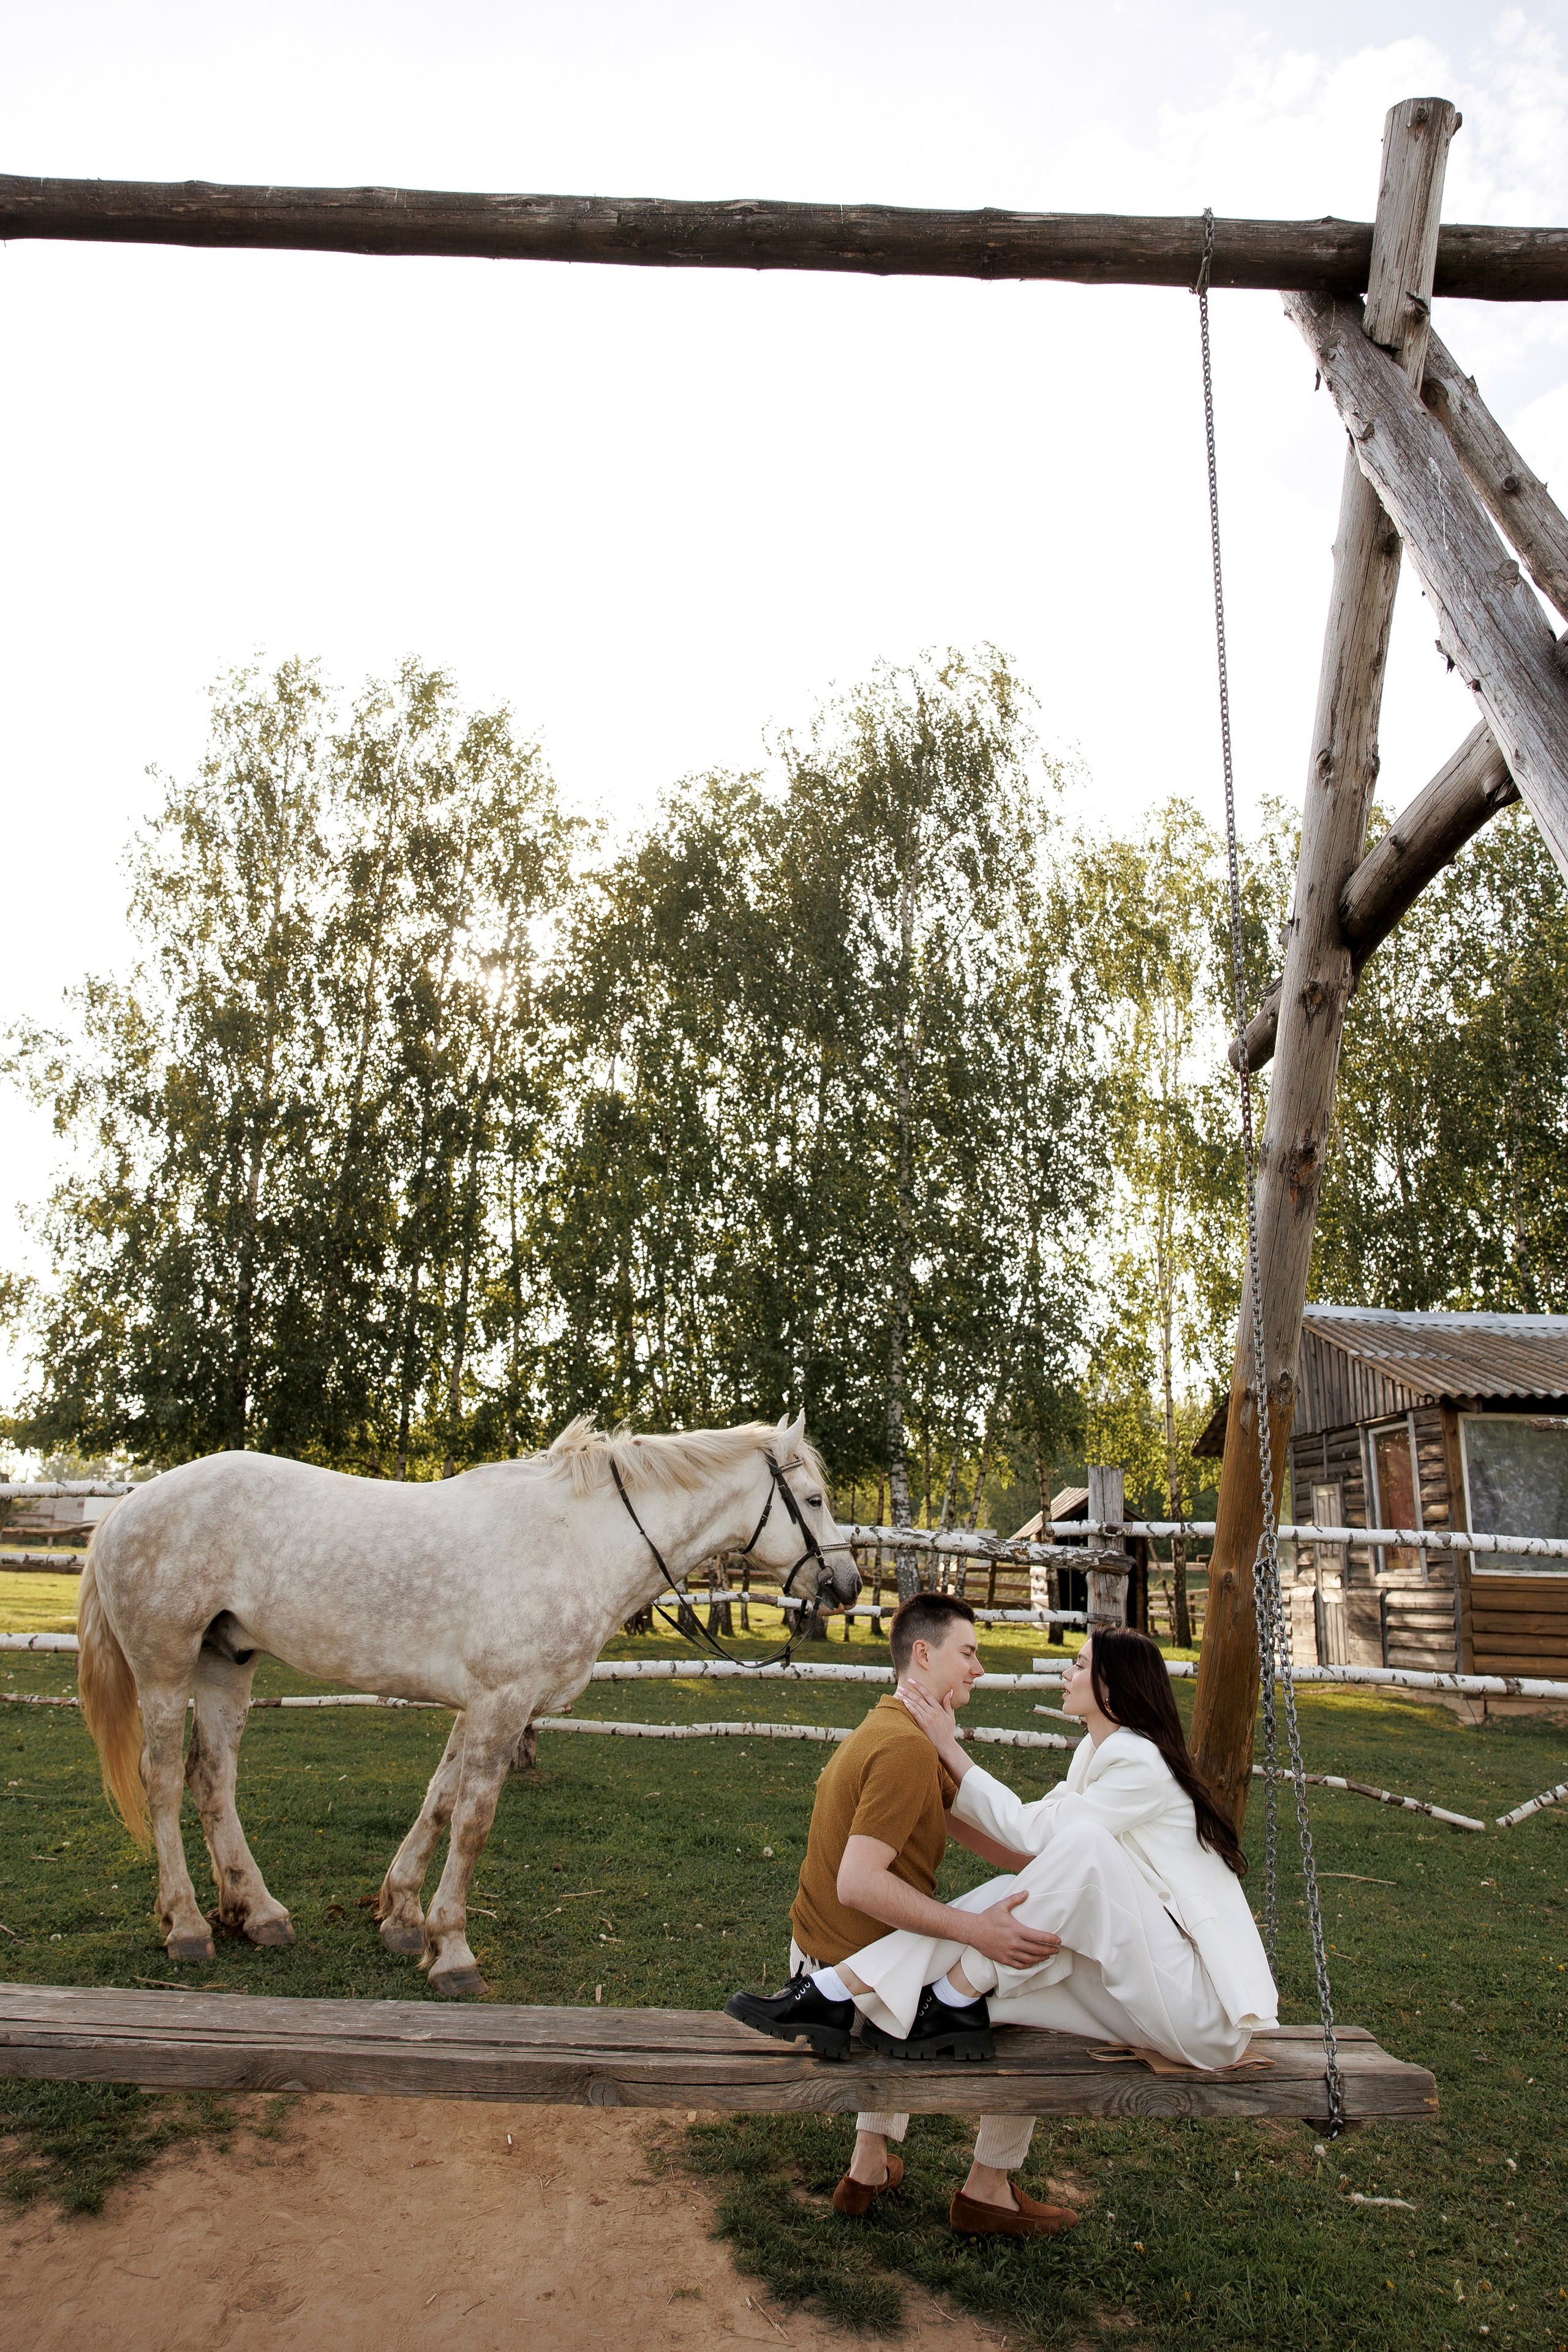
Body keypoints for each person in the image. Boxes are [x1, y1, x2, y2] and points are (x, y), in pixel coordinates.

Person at [726, 1593, 1082, 2240]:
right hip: (845, 1981)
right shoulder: (904, 1751)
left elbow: (996, 1842)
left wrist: (1070, 1865)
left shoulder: (895, 1728)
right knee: (1036, 1999)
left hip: (825, 1956)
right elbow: (859, 1884)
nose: (979, 1670)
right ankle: (989, 2186)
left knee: (956, 1943)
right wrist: (978, 1930)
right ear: (924, 1653)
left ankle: (868, 2163)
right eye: (968, 1654)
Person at [842, 1624, 1278, 2078]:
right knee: (1013, 1893)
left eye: (1081, 1665)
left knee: (1084, 1846)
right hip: (1152, 1990)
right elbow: (1032, 1831)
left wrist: (948, 1748)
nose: (1067, 1673)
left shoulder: (1141, 1763)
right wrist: (940, 1789)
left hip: (1200, 2016)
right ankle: (846, 1987)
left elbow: (1037, 1835)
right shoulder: (1097, 1749)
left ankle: (949, 1996)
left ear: (1113, 1687)